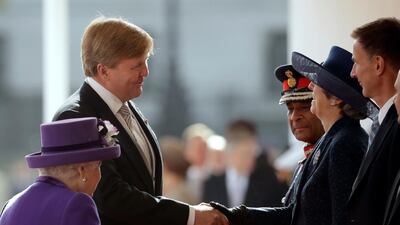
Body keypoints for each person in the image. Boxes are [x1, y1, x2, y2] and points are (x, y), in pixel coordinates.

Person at [53, 17, 227, 225]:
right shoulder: (75, 117)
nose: (146, 72)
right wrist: (190, 216)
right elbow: (108, 197)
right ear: (104, 70)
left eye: (145, 62)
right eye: (136, 65)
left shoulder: (126, 106)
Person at [211, 46, 373, 225]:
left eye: (318, 82)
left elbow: (344, 219)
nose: (312, 85)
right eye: (290, 110)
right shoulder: (331, 141)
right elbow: (293, 215)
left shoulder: (344, 142)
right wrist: (234, 215)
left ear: (336, 98)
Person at [0, 117, 121, 225]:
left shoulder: (10, 205)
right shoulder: (77, 204)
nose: (100, 175)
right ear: (82, 170)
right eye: (98, 166)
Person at [346, 17, 400, 225]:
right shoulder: (383, 123)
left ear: (378, 65)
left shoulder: (396, 126)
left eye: (356, 62)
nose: (352, 73)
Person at [203, 120, 287, 207]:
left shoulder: (269, 179)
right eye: (244, 154)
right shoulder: (212, 182)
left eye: (252, 154)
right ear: (230, 154)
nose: (250, 159)